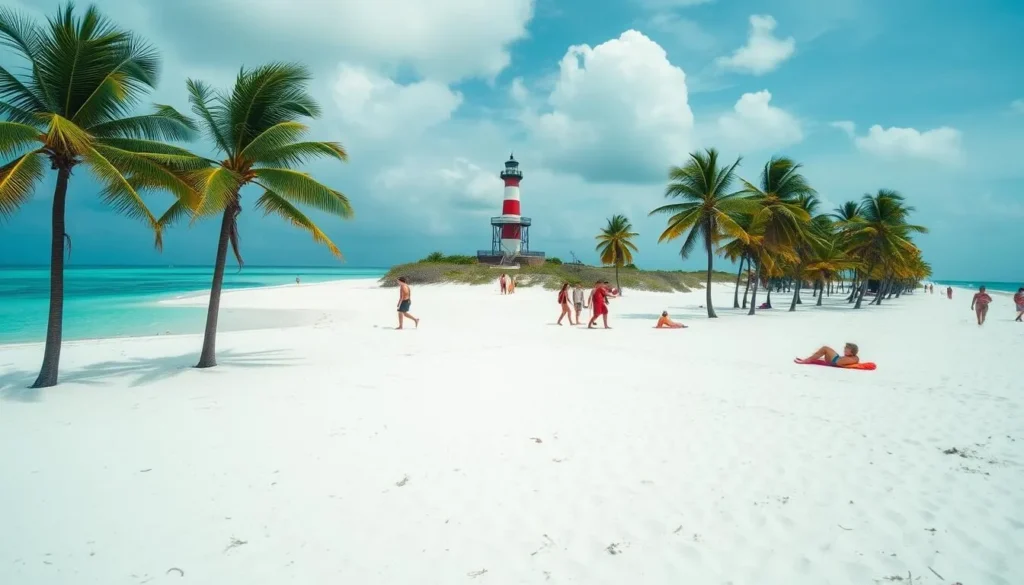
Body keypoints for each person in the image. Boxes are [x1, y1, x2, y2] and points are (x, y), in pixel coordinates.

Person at [794, 342, 860, 367]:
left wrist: (842, 359)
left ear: (852, 351)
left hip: (834, 361)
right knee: (825, 349)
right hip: (835, 360)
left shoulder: (853, 358)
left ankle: (807, 360)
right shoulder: (852, 357)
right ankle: (808, 359)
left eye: (847, 349)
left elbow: (840, 363)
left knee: (825, 348)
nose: (844, 349)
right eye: (845, 348)